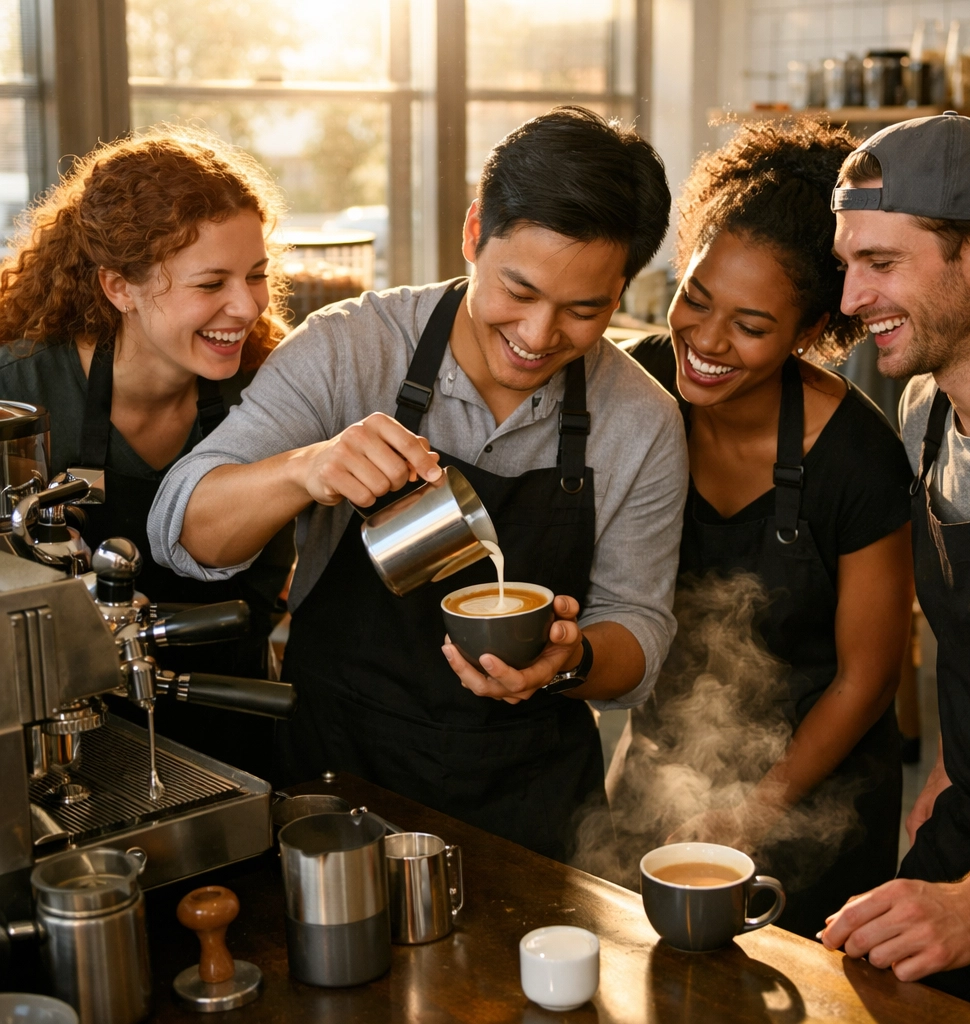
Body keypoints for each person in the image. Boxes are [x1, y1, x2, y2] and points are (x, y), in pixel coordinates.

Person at [147, 106, 687, 862]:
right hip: (342, 774)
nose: (537, 337)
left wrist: (569, 660)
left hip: (530, 797)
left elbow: (639, 630)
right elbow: (181, 528)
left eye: (583, 310)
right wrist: (306, 468)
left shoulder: (642, 420)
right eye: (518, 291)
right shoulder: (351, 347)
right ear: (473, 234)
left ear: (625, 288)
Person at [609, 120, 914, 939]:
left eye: (749, 326)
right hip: (657, 766)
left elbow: (867, 680)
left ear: (811, 332)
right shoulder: (629, 389)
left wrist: (751, 811)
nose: (704, 342)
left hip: (817, 804)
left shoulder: (857, 459)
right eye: (695, 300)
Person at [0, 128, 295, 777]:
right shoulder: (20, 393)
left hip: (235, 715)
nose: (245, 307)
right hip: (68, 734)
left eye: (256, 275)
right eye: (211, 282)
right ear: (118, 287)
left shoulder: (270, 386)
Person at [822, 112, 970, 1022]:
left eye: (882, 263)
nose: (853, 298)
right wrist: (948, 768)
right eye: (847, 265)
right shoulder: (921, 417)